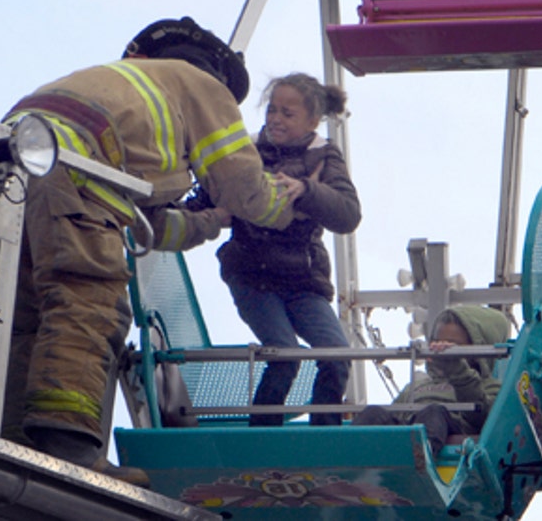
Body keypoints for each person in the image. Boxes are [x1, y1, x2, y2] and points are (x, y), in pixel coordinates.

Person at [1, 17, 298, 486]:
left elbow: (148, 227)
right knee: (89, 301)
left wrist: (210, 221)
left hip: (10, 171)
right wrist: (287, 207)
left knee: (26, 314)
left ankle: (13, 436)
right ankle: (68, 444)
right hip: (76, 173)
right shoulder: (199, 85)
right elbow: (243, 185)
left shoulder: (118, 86)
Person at [215, 73, 362, 426]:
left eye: (287, 113)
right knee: (284, 355)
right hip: (254, 276)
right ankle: (262, 437)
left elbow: (348, 214)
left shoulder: (323, 155)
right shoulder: (247, 151)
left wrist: (307, 191)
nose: (276, 119)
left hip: (302, 281)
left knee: (337, 355)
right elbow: (210, 195)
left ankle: (323, 435)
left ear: (312, 121)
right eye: (272, 110)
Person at [352, 305, 512, 457]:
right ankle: (346, 458)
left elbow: (484, 421)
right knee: (373, 414)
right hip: (410, 427)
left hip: (450, 430)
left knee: (433, 413)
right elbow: (395, 415)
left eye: (452, 345)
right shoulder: (417, 386)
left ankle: (419, 458)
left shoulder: (490, 387)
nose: (441, 348)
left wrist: (458, 371)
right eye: (437, 342)